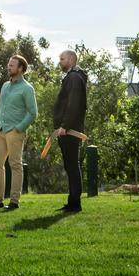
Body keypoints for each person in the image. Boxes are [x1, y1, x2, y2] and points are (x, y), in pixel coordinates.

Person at [0, 55, 37, 211]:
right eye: (8, 64)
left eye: (12, 65)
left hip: (15, 131)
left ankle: (14, 201)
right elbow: (0, 107)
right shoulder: (5, 86)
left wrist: (19, 128)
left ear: (21, 69)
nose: (8, 67)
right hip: (0, 130)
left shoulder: (27, 88)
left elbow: (33, 113)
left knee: (15, 164)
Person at [53, 49, 88, 212]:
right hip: (67, 129)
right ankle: (72, 202)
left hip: (69, 130)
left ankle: (75, 203)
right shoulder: (73, 76)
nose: (60, 61)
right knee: (70, 165)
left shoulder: (74, 77)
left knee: (72, 165)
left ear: (71, 60)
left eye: (62, 58)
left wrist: (65, 126)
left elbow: (73, 105)